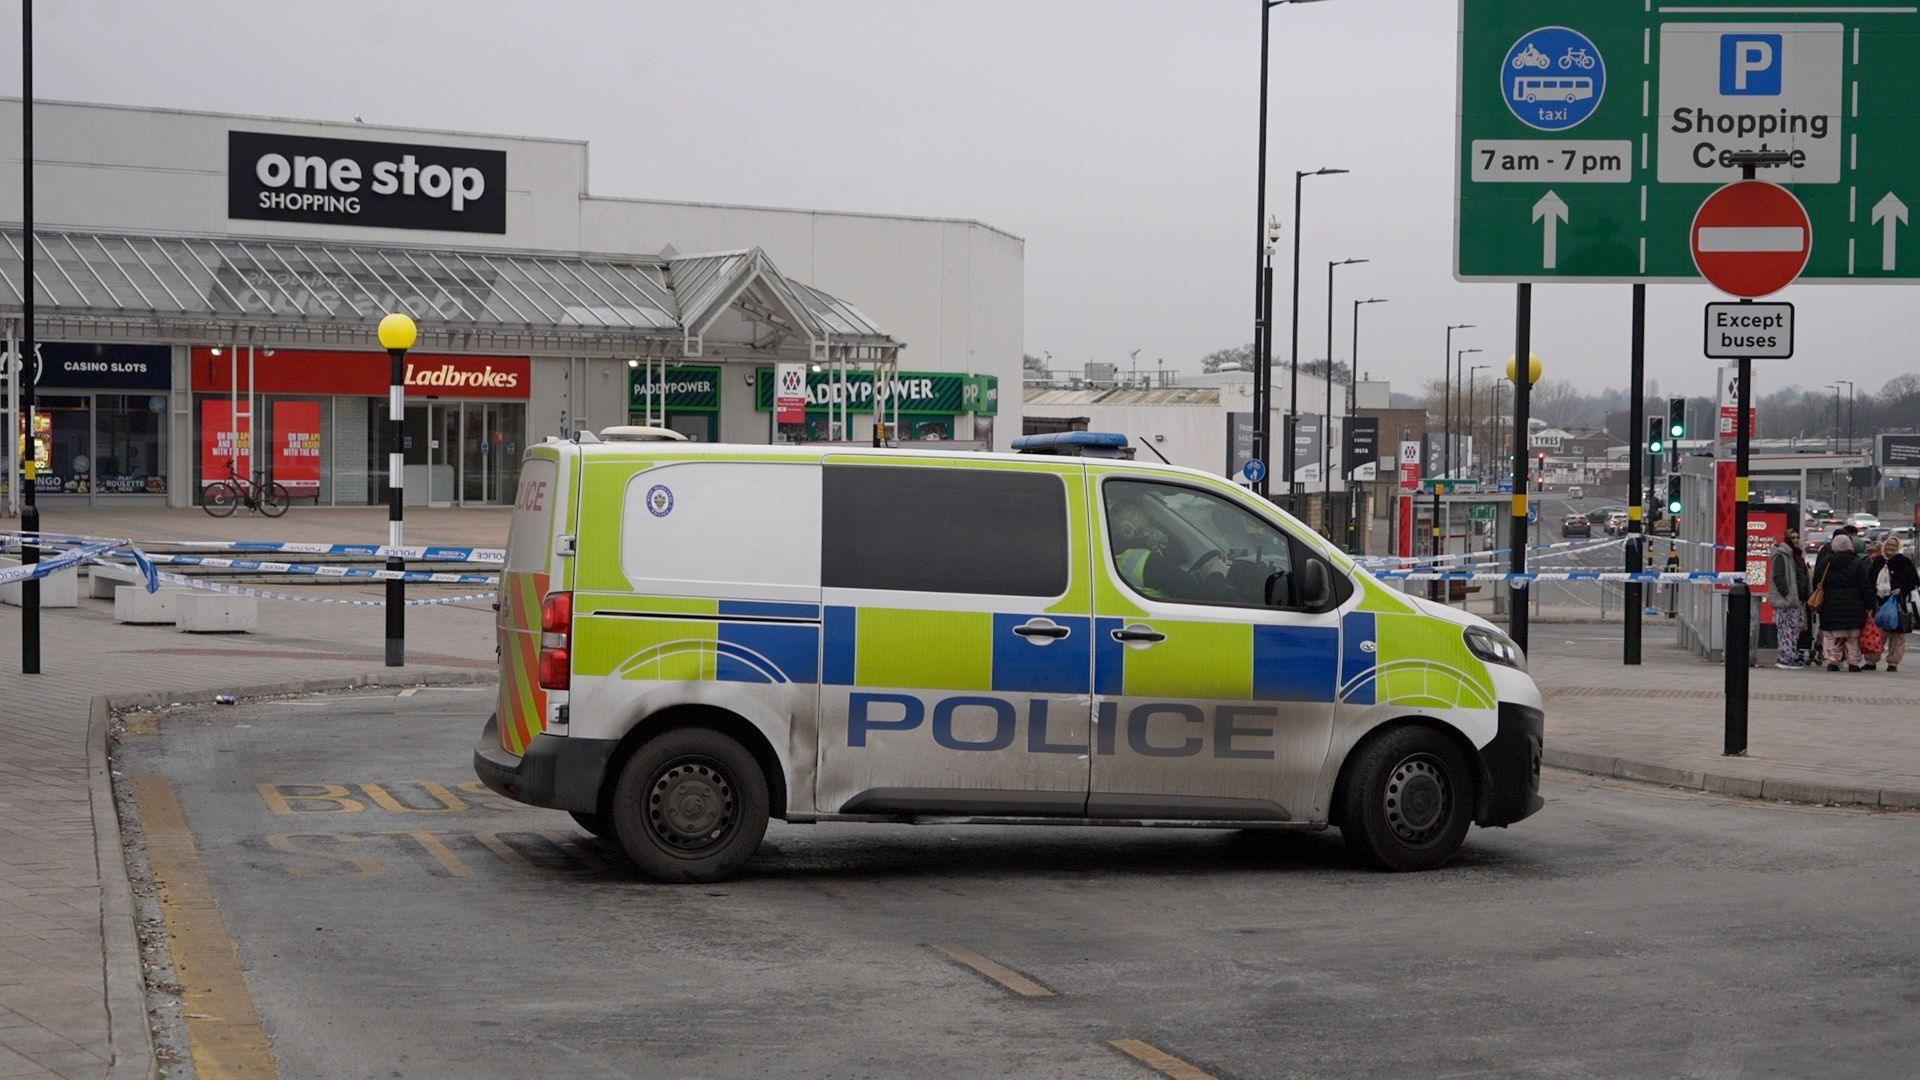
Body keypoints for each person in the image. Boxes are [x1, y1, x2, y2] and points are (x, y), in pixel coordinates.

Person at [1110, 497, 1232, 602]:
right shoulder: (1150, 562)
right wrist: (1217, 573)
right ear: (1145, 526)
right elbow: (1206, 598)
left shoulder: (1110, 556)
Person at [1813, 533, 1876, 672]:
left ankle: (1832, 661)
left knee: (1831, 635)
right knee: (1852, 636)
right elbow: (1865, 586)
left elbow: (1817, 581)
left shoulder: (1826, 562)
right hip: (1853, 604)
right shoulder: (1857, 562)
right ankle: (1853, 662)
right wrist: (1870, 604)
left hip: (1830, 604)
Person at [1867, 535, 1920, 673]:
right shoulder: (1877, 561)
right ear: (1884, 546)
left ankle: (1893, 663)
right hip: (1879, 602)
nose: (1890, 547)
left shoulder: (1903, 562)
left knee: (1897, 636)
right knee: (1877, 634)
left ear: (1898, 548)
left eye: (1893, 545)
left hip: (1897, 602)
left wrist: (1901, 589)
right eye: (1889, 545)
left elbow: (1914, 580)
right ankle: (1871, 661)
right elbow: (1869, 580)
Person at [1767, 529, 1810, 669]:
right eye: (1793, 538)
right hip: (1786, 601)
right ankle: (1786, 657)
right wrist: (1787, 593)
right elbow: (1777, 576)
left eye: (1797, 537)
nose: (1796, 540)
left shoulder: (1797, 556)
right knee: (1785, 629)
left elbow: (1803, 575)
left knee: (1795, 628)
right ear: (1787, 539)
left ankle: (1791, 654)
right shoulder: (1781, 555)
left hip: (1798, 600)